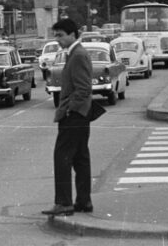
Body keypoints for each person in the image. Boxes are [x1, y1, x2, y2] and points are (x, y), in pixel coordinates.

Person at [42, 18, 93, 217]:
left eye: (61, 35)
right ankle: (83, 200)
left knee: (62, 157)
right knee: (80, 158)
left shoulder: (78, 54)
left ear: (73, 34)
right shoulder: (75, 53)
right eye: (56, 35)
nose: (57, 39)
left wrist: (70, 110)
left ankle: (64, 203)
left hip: (74, 116)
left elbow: (83, 88)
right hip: (81, 114)